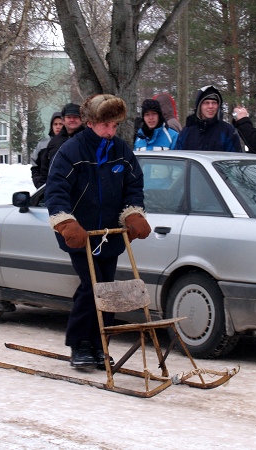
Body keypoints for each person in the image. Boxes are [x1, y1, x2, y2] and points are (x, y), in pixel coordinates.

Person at [45, 94, 151, 369]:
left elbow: (134, 185)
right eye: (106, 125)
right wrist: (66, 223)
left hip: (110, 234)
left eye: (115, 125)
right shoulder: (71, 151)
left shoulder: (121, 151)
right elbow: (56, 190)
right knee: (92, 288)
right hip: (81, 234)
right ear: (90, 122)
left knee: (108, 290)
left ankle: (100, 343)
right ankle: (80, 344)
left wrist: (133, 213)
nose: (110, 131)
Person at [175, 85, 241, 152]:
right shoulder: (186, 132)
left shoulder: (227, 131)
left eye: (214, 103)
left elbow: (235, 156)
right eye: (206, 103)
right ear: (199, 106)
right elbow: (178, 155)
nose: (210, 106)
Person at [39, 103, 84, 187]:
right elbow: (45, 168)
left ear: (82, 119)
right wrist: (44, 188)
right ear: (63, 120)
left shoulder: (88, 139)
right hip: (58, 189)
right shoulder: (54, 142)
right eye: (69, 117)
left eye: (75, 117)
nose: (72, 120)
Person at [30, 111, 63, 188]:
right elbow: (35, 165)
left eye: (61, 124)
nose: (58, 127)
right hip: (44, 187)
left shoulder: (70, 143)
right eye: (55, 124)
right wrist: (38, 182)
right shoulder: (43, 144)